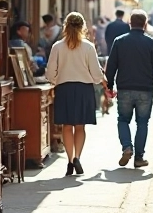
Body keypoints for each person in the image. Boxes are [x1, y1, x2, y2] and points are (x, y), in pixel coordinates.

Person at [45, 12, 109, 176]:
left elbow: (51, 71)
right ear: (83, 27)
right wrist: (100, 81)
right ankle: (77, 157)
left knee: (67, 126)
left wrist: (54, 80)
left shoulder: (57, 46)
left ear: (65, 26)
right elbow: (96, 71)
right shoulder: (88, 46)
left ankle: (69, 159)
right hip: (83, 89)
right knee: (80, 126)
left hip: (64, 89)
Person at [105, 9, 153, 167]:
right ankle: (139, 158)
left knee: (123, 120)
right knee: (142, 123)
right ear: (145, 25)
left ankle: (126, 147)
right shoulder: (152, 43)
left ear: (130, 24)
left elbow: (111, 67)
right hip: (145, 89)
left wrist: (110, 85)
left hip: (125, 88)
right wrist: (151, 80)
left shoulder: (119, 41)